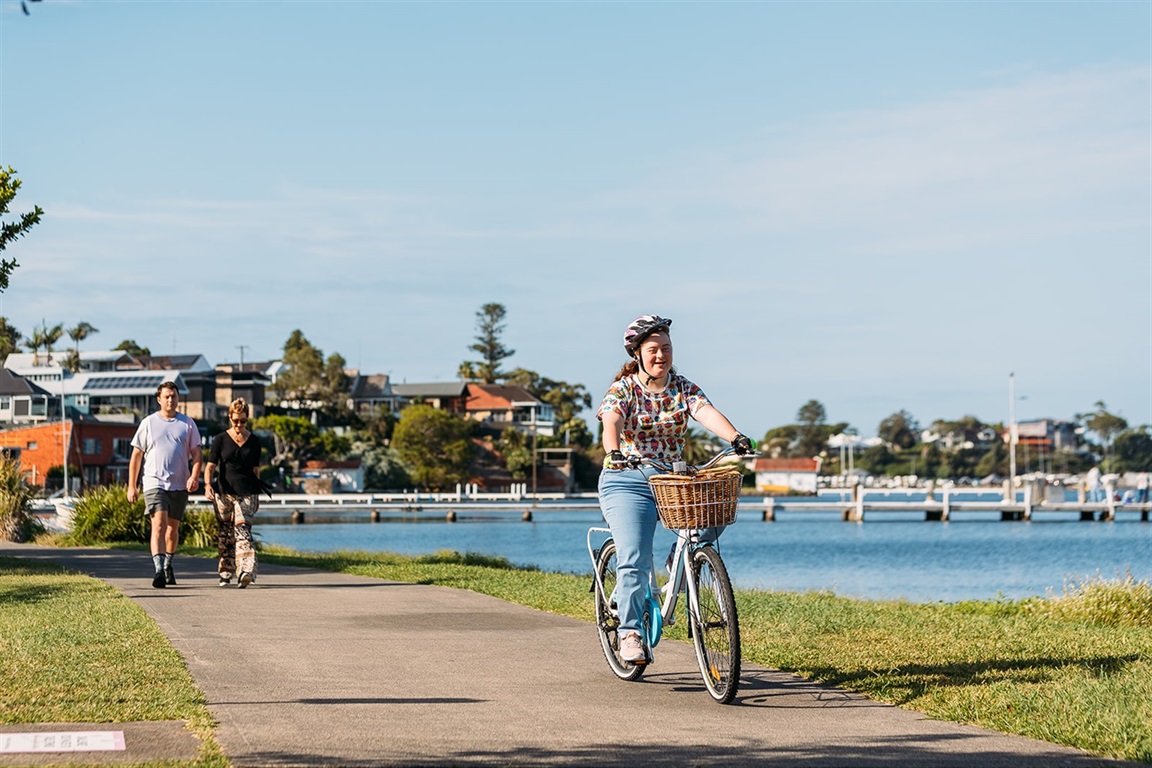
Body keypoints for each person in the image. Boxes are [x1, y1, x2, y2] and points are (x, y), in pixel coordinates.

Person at [597, 314, 754, 665]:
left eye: (666, 349)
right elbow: (612, 420)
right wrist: (614, 453)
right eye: (653, 349)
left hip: (672, 480)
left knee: (714, 512)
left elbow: (706, 412)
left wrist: (735, 437)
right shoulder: (624, 389)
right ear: (637, 353)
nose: (661, 356)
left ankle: (680, 556)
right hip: (628, 479)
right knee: (635, 555)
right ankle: (630, 632)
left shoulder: (682, 388)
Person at [127, 381, 203, 589]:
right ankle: (158, 570)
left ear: (178, 399)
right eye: (167, 396)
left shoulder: (187, 424)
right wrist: (131, 486)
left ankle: (168, 564)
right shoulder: (148, 423)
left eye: (174, 396)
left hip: (179, 484)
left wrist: (194, 476)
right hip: (154, 482)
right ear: (159, 399)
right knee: (158, 524)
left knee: (172, 530)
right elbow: (136, 455)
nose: (171, 400)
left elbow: (197, 454)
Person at [204, 398, 263, 588]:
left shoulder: (254, 442)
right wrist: (207, 485)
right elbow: (211, 466)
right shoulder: (220, 439)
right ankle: (225, 571)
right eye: (236, 420)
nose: (239, 425)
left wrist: (257, 494)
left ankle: (245, 570)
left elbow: (256, 470)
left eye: (243, 421)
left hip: (247, 492)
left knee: (243, 531)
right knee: (226, 534)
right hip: (224, 492)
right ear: (230, 418)